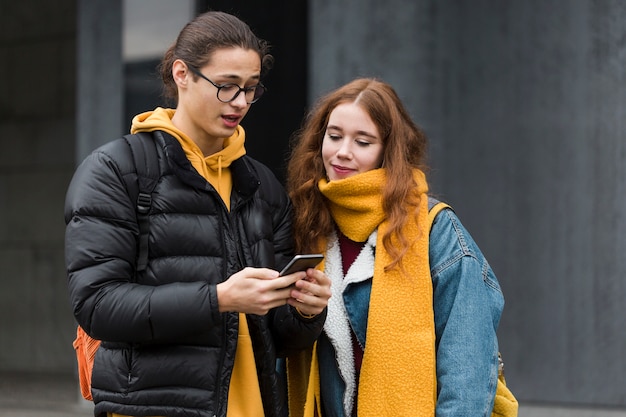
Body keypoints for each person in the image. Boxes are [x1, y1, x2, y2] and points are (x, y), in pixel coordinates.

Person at [64, 11, 330, 417]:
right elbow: (98, 305)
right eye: (226, 86)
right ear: (182, 74)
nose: (240, 102)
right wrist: (219, 299)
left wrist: (305, 310)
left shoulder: (261, 186)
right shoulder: (118, 170)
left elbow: (279, 335)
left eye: (251, 89)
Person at [285, 78, 507, 416]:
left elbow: (468, 370)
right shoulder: (306, 222)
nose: (343, 151)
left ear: (388, 152)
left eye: (363, 141)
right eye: (334, 136)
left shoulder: (435, 228)